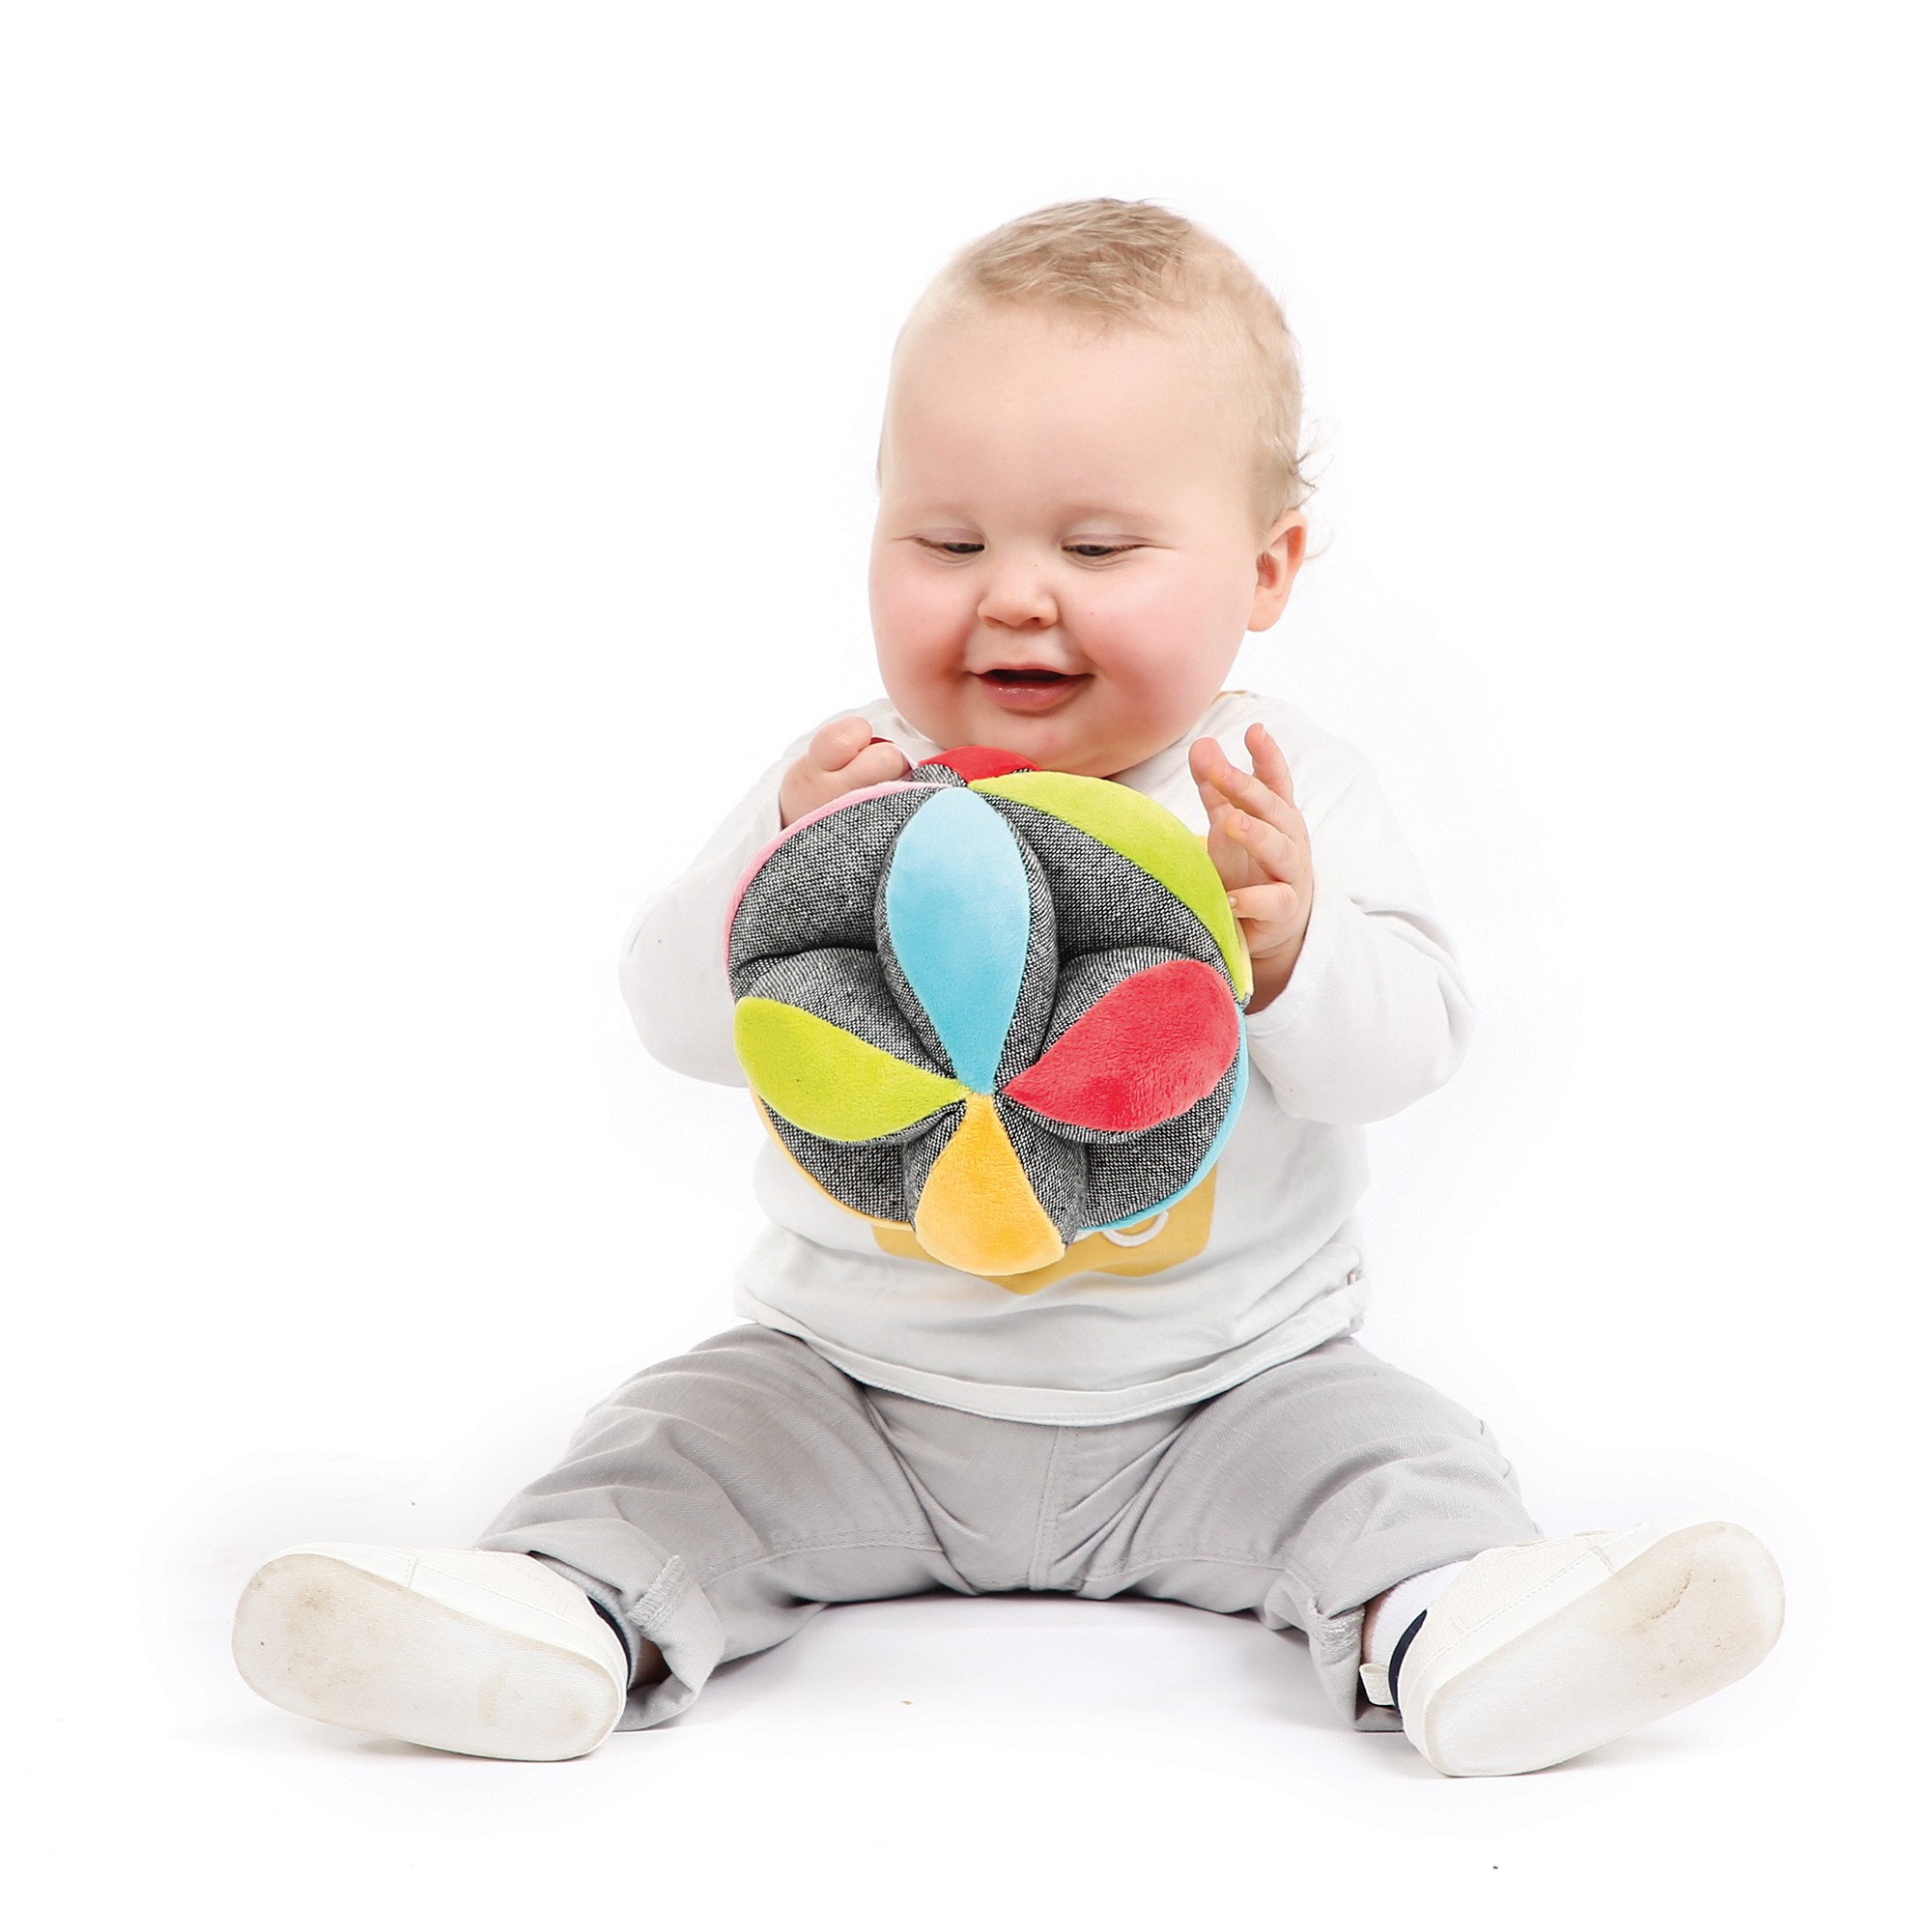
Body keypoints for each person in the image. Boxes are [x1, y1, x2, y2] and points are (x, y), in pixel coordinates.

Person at [232, 199, 1782, 1776]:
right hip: (849, 1390)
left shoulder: (1272, 788)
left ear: (1266, 570)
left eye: (1097, 546)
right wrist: (777, 871)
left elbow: (1411, 1050)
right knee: (667, 1453)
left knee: (1394, 1465)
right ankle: (548, 1623)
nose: (1017, 593)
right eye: (949, 541)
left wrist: (1297, 949)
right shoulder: (850, 787)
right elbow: (679, 1022)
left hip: (1229, 1396)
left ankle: (1464, 1627)